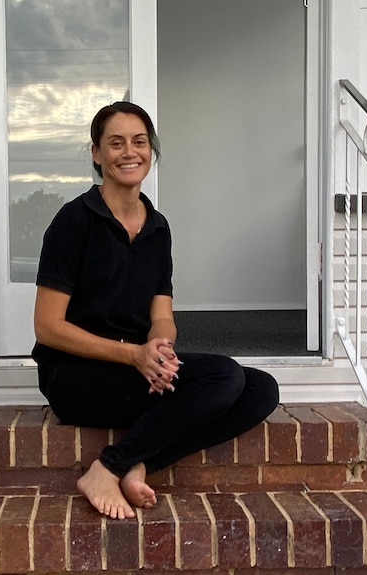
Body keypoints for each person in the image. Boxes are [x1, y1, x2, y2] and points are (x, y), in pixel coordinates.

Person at [32, 101, 279, 520]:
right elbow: (47, 327)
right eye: (115, 143)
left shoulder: (158, 227)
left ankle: (138, 464)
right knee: (222, 376)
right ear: (96, 153)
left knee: (260, 388)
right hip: (76, 376)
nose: (130, 152)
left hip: (134, 368)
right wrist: (134, 355)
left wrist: (160, 348)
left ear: (152, 149)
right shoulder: (72, 223)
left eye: (139, 141)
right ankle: (105, 469)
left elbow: (161, 312)